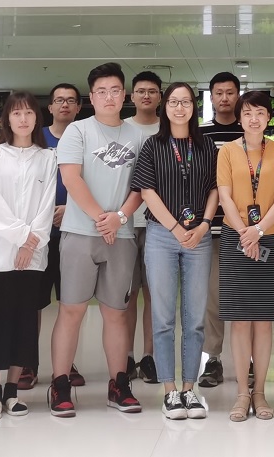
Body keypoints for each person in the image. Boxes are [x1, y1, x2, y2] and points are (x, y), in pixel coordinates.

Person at [47, 62, 145, 417]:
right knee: (71, 310)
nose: (108, 97)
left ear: (125, 95)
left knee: (116, 312)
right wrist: (101, 218)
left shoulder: (138, 136)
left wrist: (119, 218)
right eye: (101, 91)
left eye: (115, 90)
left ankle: (118, 385)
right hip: (79, 233)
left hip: (122, 235)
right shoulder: (78, 131)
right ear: (92, 97)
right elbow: (71, 178)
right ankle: (60, 384)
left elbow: (142, 187)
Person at [0, 92, 56, 420]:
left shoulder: (47, 158)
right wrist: (21, 238)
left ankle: (13, 391)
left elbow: (47, 205)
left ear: (36, 118)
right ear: (7, 119)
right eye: (16, 113)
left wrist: (31, 245)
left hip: (33, 255)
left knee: (24, 322)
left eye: (28, 113)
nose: (23, 119)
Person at [131, 83, 219, 419]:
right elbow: (147, 191)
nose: (179, 107)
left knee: (195, 319)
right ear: (165, 107)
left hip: (199, 236)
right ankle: (169, 390)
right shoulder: (153, 145)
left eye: (185, 102)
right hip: (161, 236)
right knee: (163, 317)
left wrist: (204, 224)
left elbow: (215, 188)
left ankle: (189, 389)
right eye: (173, 102)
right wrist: (176, 229)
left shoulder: (206, 145)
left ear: (194, 107)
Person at [217, 90, 274, 422]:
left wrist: (258, 231)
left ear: (269, 117)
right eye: (247, 113)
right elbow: (225, 197)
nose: (254, 119)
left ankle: (259, 392)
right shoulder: (227, 151)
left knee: (263, 320)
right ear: (240, 118)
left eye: (260, 112)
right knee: (240, 320)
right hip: (235, 237)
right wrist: (245, 232)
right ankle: (241, 393)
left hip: (270, 237)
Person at [20, 83, 85, 391]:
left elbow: (95, 181)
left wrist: (72, 209)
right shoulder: (36, 139)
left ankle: (65, 364)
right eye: (59, 100)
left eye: (71, 100)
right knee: (31, 302)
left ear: (79, 107)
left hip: (75, 232)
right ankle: (27, 363)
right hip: (38, 234)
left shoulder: (86, 137)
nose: (64, 105)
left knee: (70, 303)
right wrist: (46, 214)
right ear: (50, 107)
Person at [198, 72, 243, 388]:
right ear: (211, 97)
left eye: (230, 92)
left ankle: (247, 358)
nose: (224, 98)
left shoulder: (249, 132)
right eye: (219, 93)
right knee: (212, 297)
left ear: (238, 96)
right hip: (211, 228)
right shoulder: (200, 135)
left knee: (245, 296)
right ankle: (213, 359)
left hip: (247, 231)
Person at [124, 70, 163, 384]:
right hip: (124, 222)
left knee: (154, 294)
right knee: (126, 293)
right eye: (141, 91)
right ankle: (125, 356)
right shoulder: (120, 128)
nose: (146, 96)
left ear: (160, 96)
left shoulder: (169, 128)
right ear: (132, 96)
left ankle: (149, 356)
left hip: (158, 224)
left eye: (152, 91)